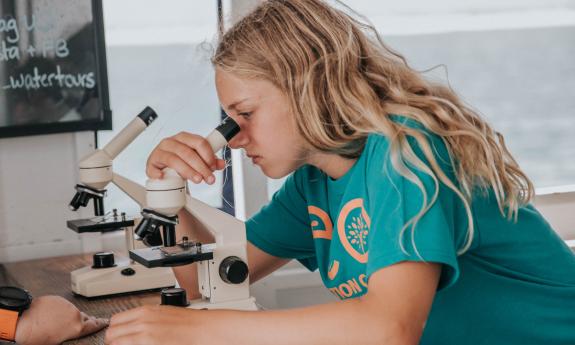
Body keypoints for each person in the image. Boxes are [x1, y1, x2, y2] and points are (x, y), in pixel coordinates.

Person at [104, 0, 575, 344]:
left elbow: (390, 329)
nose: (234, 138)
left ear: (309, 86)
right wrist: (166, 192)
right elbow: (204, 283)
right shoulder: (312, 186)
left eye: (243, 114)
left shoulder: (405, 153)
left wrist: (199, 332)